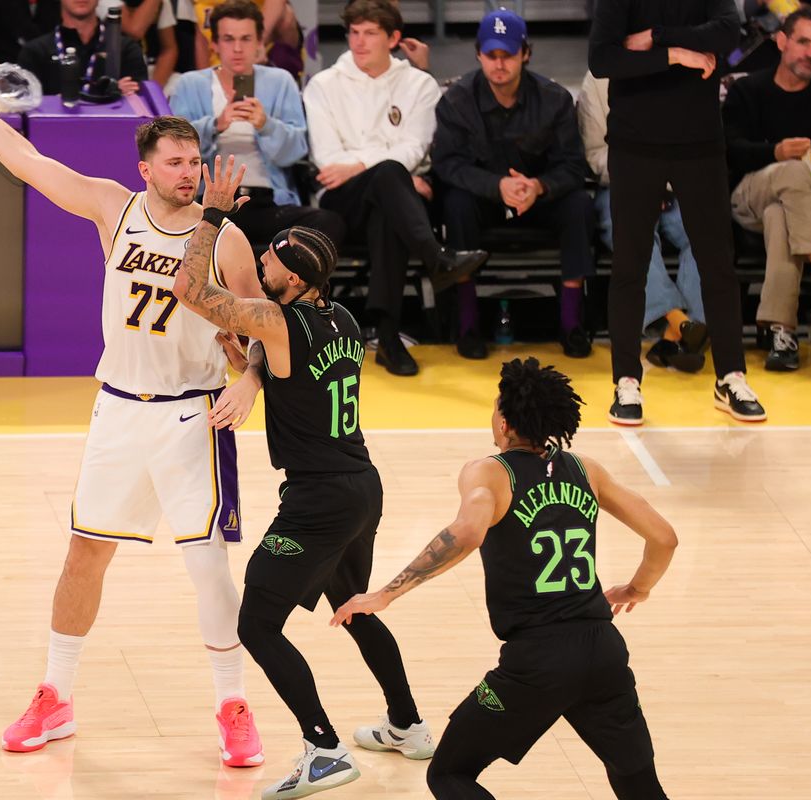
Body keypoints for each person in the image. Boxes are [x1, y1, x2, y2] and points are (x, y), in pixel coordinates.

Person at [0, 59, 266, 767]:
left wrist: (252, 382)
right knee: (85, 554)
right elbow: (24, 158)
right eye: (174, 163)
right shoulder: (112, 207)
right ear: (145, 169)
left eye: (194, 162)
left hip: (192, 416)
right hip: (117, 411)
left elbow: (268, 328)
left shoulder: (225, 237)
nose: (189, 173)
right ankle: (56, 695)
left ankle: (233, 705)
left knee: (208, 567)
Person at [173, 156, 434, 799]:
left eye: (268, 262)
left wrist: (212, 215)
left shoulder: (278, 320)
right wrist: (253, 371)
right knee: (352, 605)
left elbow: (191, 292)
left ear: (292, 275)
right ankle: (407, 723)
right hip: (361, 486)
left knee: (256, 623)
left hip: (318, 498)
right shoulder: (342, 319)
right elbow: (269, 346)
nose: (260, 267)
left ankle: (323, 748)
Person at [333, 357, 677, 800]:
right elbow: (664, 538)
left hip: (537, 662)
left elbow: (467, 532)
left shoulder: (491, 473)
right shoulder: (585, 470)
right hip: (602, 650)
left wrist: (385, 594)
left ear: (506, 421)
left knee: (450, 774)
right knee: (637, 783)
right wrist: (637, 588)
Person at [589, 0, 766, 425]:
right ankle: (627, 382)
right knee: (629, 266)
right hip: (635, 145)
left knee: (718, 265)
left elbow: (727, 35)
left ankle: (730, 376)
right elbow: (603, 59)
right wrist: (677, 55)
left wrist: (657, 38)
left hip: (700, 145)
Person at [303, 0, 488, 377]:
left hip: (390, 203)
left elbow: (415, 148)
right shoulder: (323, 85)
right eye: (353, 32)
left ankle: (388, 340)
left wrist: (366, 164)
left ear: (394, 38)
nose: (359, 41)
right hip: (340, 201)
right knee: (390, 175)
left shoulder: (419, 85)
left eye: (370, 33)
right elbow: (327, 158)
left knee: (388, 206)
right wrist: (387, 169)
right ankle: (436, 258)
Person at [433, 10, 596, 361]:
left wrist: (538, 186)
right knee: (456, 203)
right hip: (484, 201)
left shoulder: (555, 99)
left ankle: (571, 323)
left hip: (540, 200)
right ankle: (468, 324)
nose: (499, 64)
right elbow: (447, 164)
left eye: (507, 54)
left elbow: (572, 165)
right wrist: (497, 186)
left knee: (579, 204)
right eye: (491, 55)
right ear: (478, 54)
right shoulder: (457, 101)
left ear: (526, 53)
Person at [723, 6, 811, 372]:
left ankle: (782, 334)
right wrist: (774, 152)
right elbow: (728, 149)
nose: (810, 54)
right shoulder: (748, 89)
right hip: (752, 192)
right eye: (803, 42)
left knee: (780, 217)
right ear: (781, 40)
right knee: (791, 172)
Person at [170, 0, 345, 249]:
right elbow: (175, 150)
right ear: (215, 44)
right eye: (229, 39)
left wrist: (266, 125)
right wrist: (215, 125)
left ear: (259, 43)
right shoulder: (190, 84)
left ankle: (286, 287)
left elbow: (296, 151)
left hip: (267, 201)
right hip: (208, 204)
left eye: (246, 39)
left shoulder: (280, 81)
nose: (238, 48)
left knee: (327, 223)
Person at [579, 70, 711, 376]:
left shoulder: (684, 70)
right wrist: (645, 177)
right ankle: (681, 321)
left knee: (705, 229)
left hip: (678, 184)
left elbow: (699, 142)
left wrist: (666, 180)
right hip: (621, 184)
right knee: (627, 230)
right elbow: (595, 153)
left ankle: (674, 337)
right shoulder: (599, 77)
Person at [17, 0, 149, 95]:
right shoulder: (34, 51)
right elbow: (26, 104)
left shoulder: (127, 49)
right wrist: (109, 93)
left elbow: (139, 99)